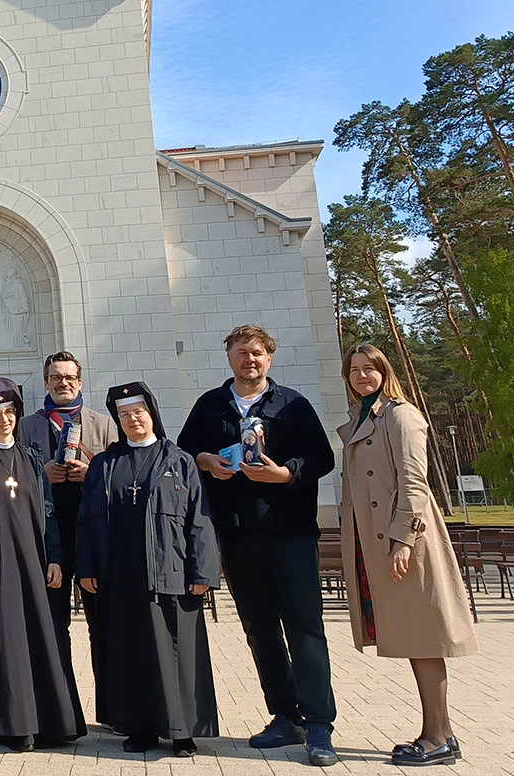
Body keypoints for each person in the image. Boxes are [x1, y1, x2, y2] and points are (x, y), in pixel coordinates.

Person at [176, 325, 339, 767]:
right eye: (242, 352)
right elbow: (184, 451)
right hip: (237, 533)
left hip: (290, 533)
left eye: (258, 353)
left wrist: (286, 474)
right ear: (228, 356)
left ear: (269, 359)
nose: (250, 359)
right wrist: (206, 461)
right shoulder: (210, 405)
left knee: (304, 628)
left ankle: (320, 724)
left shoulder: (293, 405)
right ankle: (286, 715)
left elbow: (322, 457)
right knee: (260, 630)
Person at [338, 344, 476, 767]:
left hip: (404, 542)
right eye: (354, 370)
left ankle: (437, 737)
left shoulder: (401, 415)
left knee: (424, 637)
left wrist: (403, 539)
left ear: (384, 371)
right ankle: (441, 734)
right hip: (374, 539)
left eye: (369, 369)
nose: (362, 376)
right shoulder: (358, 419)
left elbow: (415, 482)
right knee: (416, 638)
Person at [77, 380, 220, 757]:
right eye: (124, 415)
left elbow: (199, 520)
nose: (132, 419)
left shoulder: (179, 460)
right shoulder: (105, 465)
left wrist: (202, 572)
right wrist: (87, 568)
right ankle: (138, 727)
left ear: (152, 413)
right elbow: (86, 521)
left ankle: (182, 731)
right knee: (130, 654)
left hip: (171, 575)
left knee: (177, 654)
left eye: (138, 412)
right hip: (120, 579)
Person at [0, 376, 86, 753]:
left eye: (9, 412)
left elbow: (48, 512)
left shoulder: (31, 459)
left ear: (17, 415)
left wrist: (56, 559)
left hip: (34, 566)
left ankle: (51, 724)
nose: (3, 420)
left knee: (41, 639)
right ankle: (12, 726)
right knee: (6, 642)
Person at [18, 351, 118, 659]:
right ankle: (58, 703)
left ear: (80, 382)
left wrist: (92, 475)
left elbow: (121, 478)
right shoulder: (26, 426)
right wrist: (40, 476)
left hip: (93, 535)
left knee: (102, 624)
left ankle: (109, 700)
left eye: (70, 377)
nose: (64, 383)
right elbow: (12, 481)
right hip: (48, 537)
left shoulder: (103, 425)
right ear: (47, 383)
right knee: (51, 624)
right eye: (57, 377)